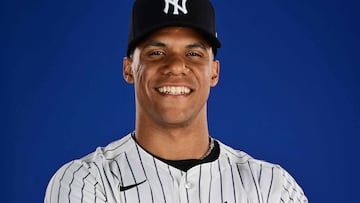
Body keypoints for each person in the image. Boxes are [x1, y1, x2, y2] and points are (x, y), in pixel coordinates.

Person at [45, 0, 307, 202]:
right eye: (157, 52)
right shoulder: (87, 180)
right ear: (128, 69)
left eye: (193, 53)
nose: (176, 66)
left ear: (214, 71)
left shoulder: (270, 185)